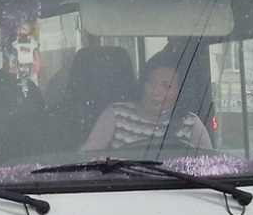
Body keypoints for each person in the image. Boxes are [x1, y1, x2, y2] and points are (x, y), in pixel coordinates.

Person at [81, 52, 211, 152]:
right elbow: (87, 159)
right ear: (143, 83)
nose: (155, 91)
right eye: (151, 82)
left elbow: (210, 167)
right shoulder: (116, 114)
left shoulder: (191, 124)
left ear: (180, 92)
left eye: (167, 86)